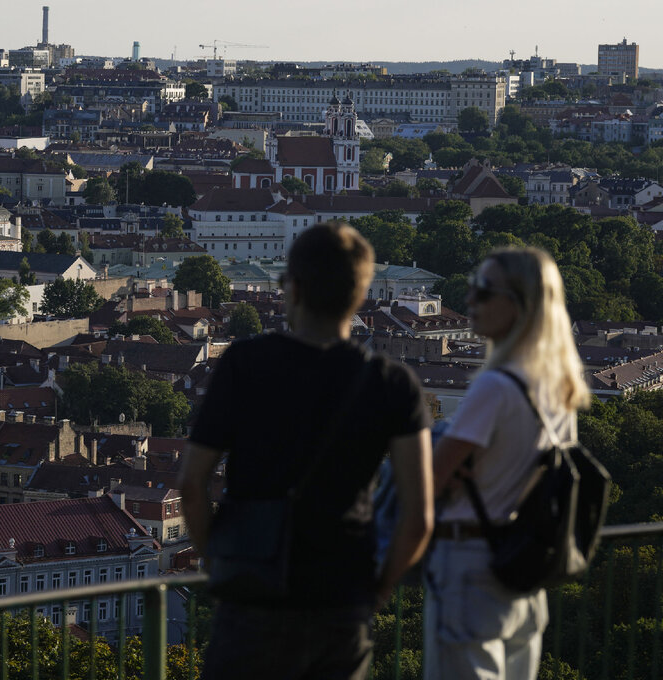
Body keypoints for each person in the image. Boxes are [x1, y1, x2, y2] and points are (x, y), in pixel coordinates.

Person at [180, 222, 433, 680]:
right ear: (361, 294)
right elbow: (418, 518)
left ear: (292, 288)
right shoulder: (393, 384)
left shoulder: (244, 363)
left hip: (254, 592)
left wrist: (217, 560)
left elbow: (192, 483)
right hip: (340, 595)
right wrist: (375, 592)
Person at [424, 248, 588, 679]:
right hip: (522, 567)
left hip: (469, 565)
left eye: (483, 290)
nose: (470, 300)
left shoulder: (495, 386)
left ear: (519, 305)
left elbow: (427, 484)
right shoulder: (558, 388)